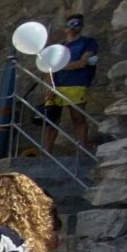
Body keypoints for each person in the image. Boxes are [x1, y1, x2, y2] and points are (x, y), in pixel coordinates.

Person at [43, 13, 98, 152]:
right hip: (57, 86)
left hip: (77, 84)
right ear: (65, 28)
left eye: (76, 24)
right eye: (70, 24)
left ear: (81, 27)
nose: (72, 27)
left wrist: (59, 65)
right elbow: (50, 69)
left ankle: (82, 150)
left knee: (77, 118)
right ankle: (46, 152)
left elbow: (82, 62)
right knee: (51, 122)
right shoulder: (59, 46)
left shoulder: (88, 42)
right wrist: (49, 88)